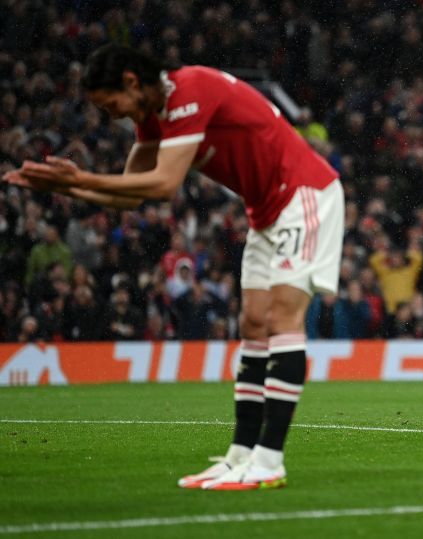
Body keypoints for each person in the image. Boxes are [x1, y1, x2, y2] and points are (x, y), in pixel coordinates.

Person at [4, 44, 344, 489]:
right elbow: (130, 194)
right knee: (254, 323)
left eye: (112, 105)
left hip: (304, 193)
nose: (112, 115)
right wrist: (70, 189)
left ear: (131, 81)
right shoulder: (152, 117)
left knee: (282, 317)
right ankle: (240, 454)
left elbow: (163, 185)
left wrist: (81, 180)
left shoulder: (190, 89)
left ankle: (270, 460)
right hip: (265, 210)